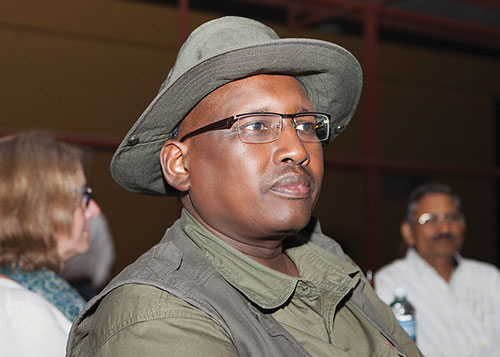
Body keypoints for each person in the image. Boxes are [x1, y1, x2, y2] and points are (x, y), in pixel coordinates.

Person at [67, 16, 422, 356]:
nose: (297, 150)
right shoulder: (158, 315)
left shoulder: (330, 264)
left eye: (306, 125)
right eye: (255, 126)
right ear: (179, 164)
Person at [0, 131, 101, 356]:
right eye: (84, 196)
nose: (94, 210)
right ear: (40, 209)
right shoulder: (22, 312)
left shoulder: (28, 295)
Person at [375, 183, 500, 356]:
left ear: (463, 225)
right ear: (408, 232)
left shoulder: (490, 278)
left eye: (451, 218)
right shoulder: (389, 282)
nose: (444, 228)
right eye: (429, 219)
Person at [62, 213, 116, 300]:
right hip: (59, 280)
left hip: (85, 284)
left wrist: (97, 283)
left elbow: (105, 252)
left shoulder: (95, 218)